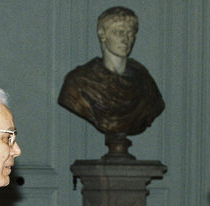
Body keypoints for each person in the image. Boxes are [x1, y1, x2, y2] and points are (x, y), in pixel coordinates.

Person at [58, 6, 164, 136]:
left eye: (130, 33)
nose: (125, 39)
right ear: (103, 35)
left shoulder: (145, 83)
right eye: (119, 32)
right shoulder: (79, 82)